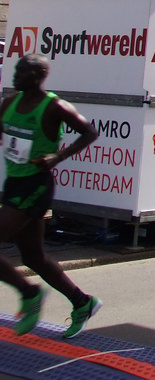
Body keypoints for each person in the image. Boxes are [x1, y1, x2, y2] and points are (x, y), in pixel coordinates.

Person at [0, 54, 102, 338]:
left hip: (35, 186)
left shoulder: (54, 106)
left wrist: (58, 156)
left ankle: (29, 293)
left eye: (22, 71)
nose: (16, 75)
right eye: (16, 69)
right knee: (34, 258)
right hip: (14, 184)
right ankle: (83, 302)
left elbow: (89, 132)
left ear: (38, 76)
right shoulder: (9, 103)